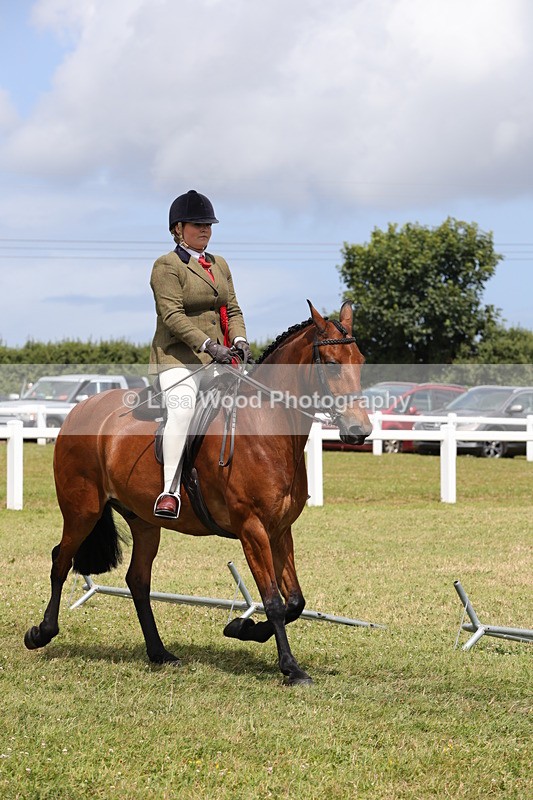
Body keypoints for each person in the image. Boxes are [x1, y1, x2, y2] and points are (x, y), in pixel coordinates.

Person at [149, 189, 252, 519]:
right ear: (178, 229)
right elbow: (172, 316)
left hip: (220, 356)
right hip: (178, 358)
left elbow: (232, 309)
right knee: (182, 410)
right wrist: (209, 345)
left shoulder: (219, 264)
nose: (205, 229)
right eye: (197, 224)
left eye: (208, 224)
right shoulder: (166, 266)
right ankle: (169, 491)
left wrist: (240, 340)